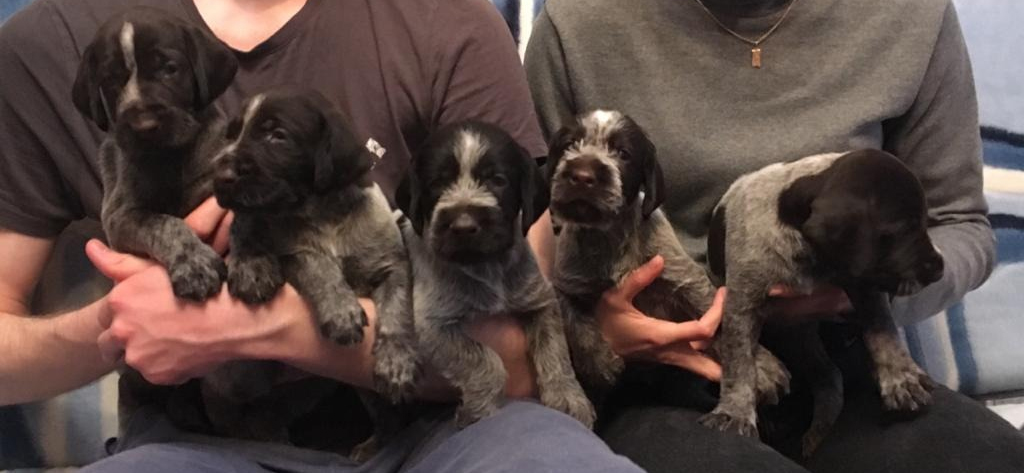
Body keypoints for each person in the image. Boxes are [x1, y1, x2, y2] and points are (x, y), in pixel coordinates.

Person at [0, 0, 708, 471]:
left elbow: (523, 345)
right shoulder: (48, 42)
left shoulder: (446, 23)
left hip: (444, 428)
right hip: (194, 441)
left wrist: (264, 326)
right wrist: (111, 326)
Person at [524, 0, 1024, 472]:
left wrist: (865, 290)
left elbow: (960, 223)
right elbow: (527, 232)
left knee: (990, 458)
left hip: (844, 350)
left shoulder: (911, 15)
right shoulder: (578, 26)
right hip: (660, 367)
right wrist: (598, 340)